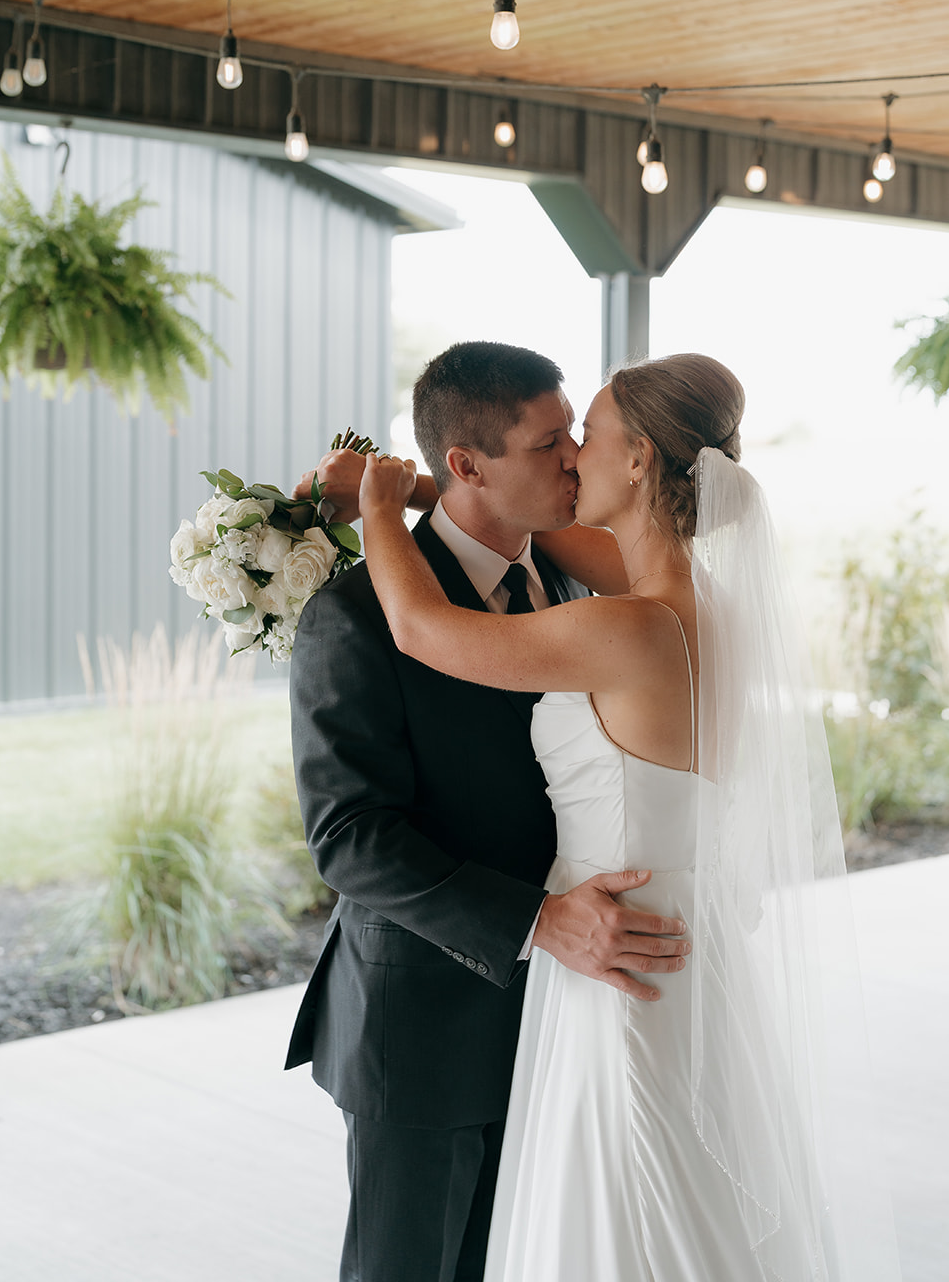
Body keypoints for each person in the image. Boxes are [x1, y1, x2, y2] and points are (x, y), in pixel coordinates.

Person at [355, 353, 901, 1282]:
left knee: (626, 1209)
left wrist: (371, 506)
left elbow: (419, 629)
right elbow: (560, 539)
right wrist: (436, 493)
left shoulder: (630, 627)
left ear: (641, 458)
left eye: (588, 436)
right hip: (683, 948)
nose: (570, 458)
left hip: (618, 957)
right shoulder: (702, 602)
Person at [285, 341, 689, 1282]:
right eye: (550, 444)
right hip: (426, 1025)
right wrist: (539, 921)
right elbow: (349, 838)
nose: (575, 459)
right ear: (465, 466)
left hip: (574, 1022)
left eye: (576, 439)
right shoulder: (354, 614)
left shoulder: (587, 586)